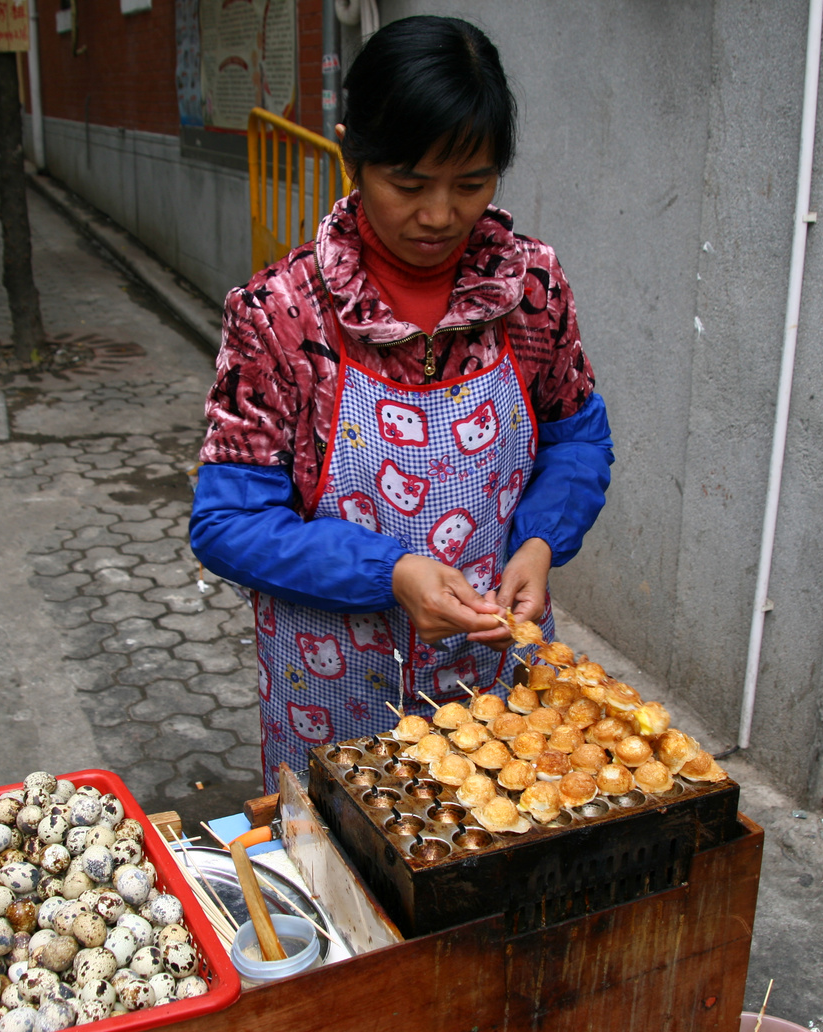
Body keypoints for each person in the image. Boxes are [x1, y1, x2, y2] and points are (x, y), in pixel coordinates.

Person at [190, 16, 614, 791]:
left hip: (494, 681)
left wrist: (542, 541)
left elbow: (577, 438)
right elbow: (228, 522)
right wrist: (390, 571)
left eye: (472, 183)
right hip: (335, 697)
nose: (439, 215)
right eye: (409, 183)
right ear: (352, 152)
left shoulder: (529, 291)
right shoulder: (282, 315)